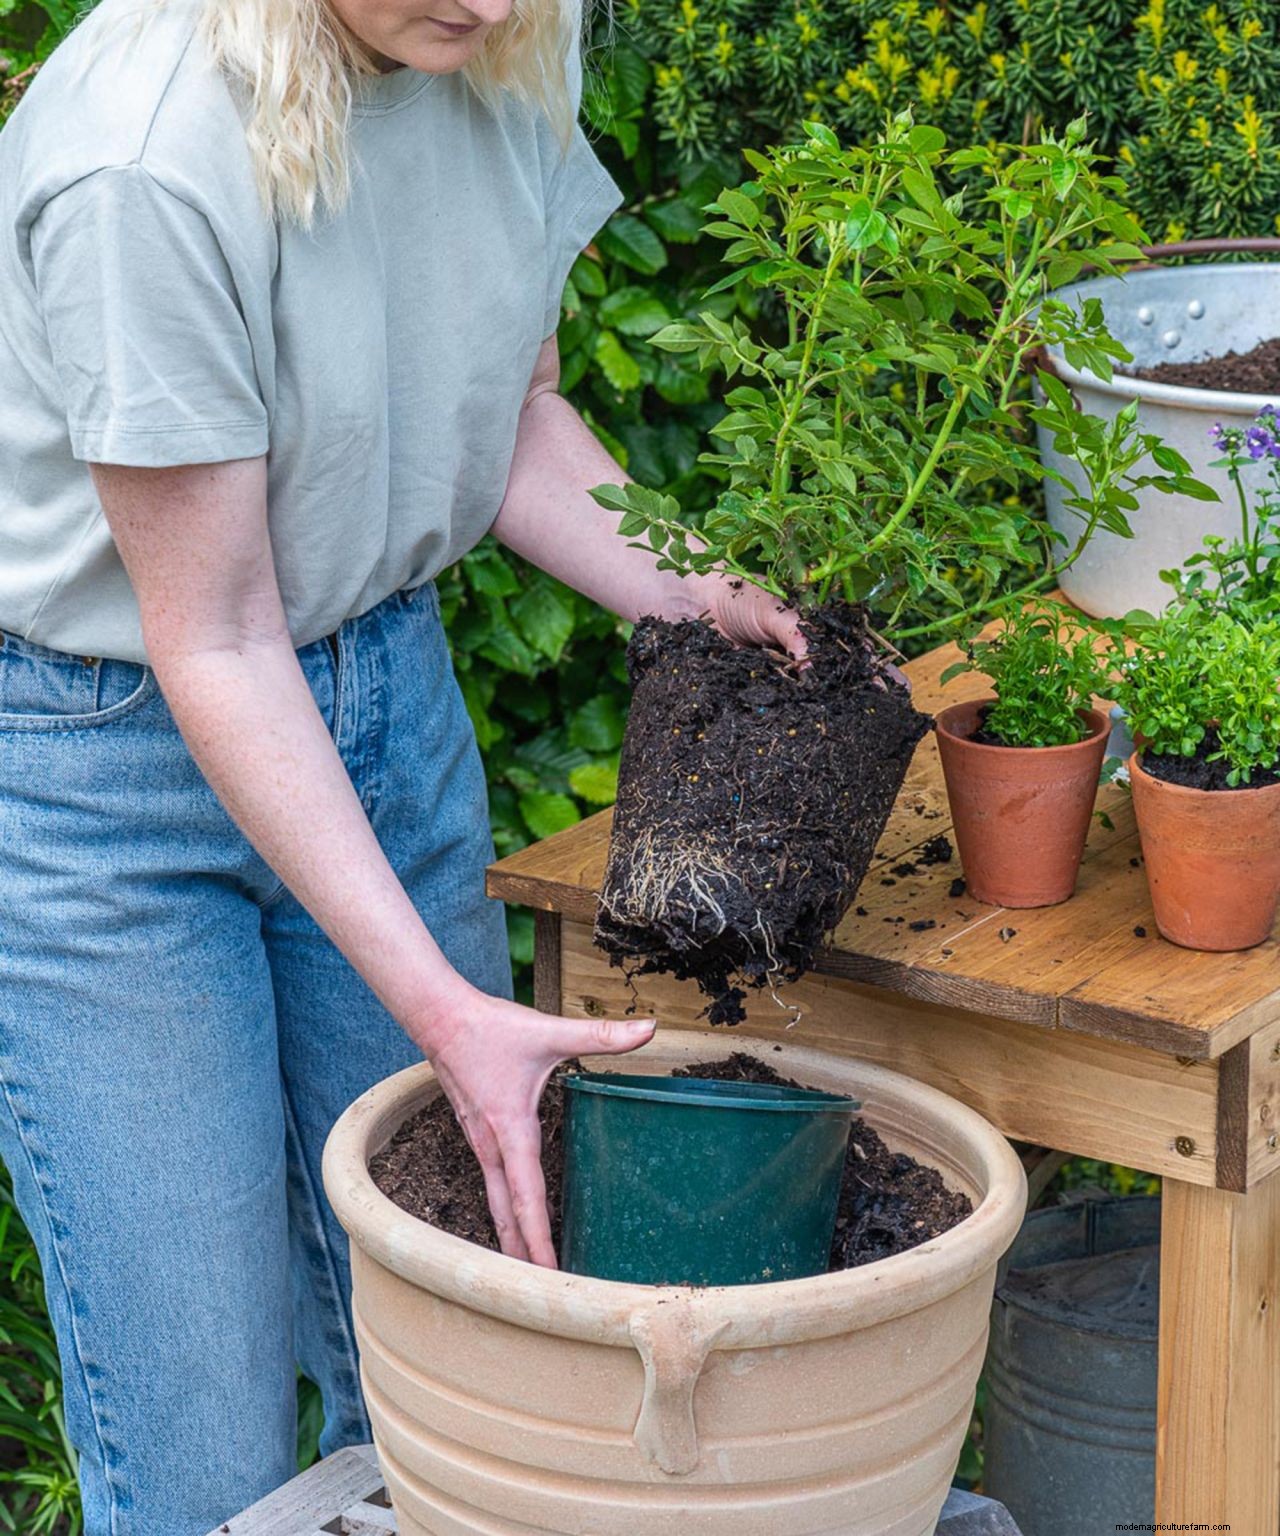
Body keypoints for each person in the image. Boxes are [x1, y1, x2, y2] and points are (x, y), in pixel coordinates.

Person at [0, 0, 802, 1528]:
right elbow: (218, 634)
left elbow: (510, 418)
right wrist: (447, 1011)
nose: (494, 4)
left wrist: (714, 598)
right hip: (108, 782)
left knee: (452, 1383)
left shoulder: (502, 36)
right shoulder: (143, 160)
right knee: (204, 1455)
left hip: (384, 699)